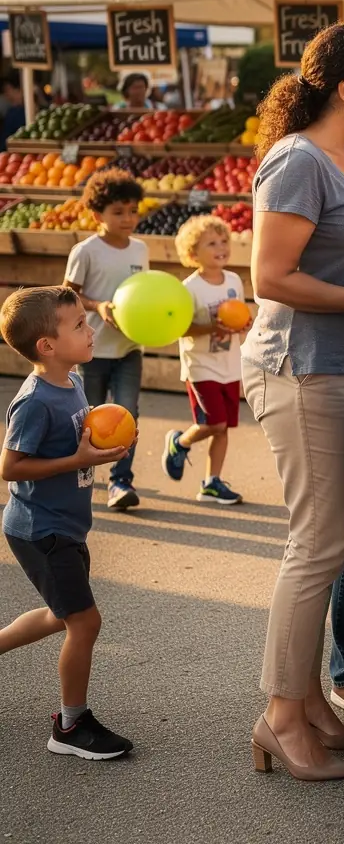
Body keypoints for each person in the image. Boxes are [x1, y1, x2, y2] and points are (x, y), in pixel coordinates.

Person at [242, 22, 344, 781]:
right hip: (299, 370)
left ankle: (306, 704)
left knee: (329, 543)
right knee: (318, 545)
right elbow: (270, 278)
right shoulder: (299, 160)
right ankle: (279, 715)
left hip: (339, 369)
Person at [0, 287, 135, 760]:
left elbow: (74, 446)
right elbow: (10, 467)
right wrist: (77, 458)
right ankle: (70, 724)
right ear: (46, 347)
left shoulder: (73, 381)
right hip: (41, 529)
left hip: (67, 525)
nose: (90, 327)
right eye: (78, 324)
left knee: (61, 615)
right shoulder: (35, 401)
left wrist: (97, 444)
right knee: (84, 622)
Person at [63, 170, 148, 511]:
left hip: (130, 348)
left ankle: (120, 482)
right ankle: (78, 476)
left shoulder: (140, 249)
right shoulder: (85, 251)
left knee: (127, 415)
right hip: (92, 351)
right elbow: (67, 296)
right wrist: (100, 306)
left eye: (132, 210)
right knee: (89, 418)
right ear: (98, 215)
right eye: (118, 212)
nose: (128, 218)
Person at [162, 215, 250, 504]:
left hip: (229, 364)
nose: (220, 247)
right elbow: (182, 328)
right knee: (213, 423)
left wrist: (244, 324)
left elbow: (239, 315)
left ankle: (211, 483)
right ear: (192, 253)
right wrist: (214, 327)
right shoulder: (189, 288)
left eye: (223, 241)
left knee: (223, 428)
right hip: (201, 367)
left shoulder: (235, 280)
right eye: (211, 243)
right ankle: (180, 442)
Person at [1, 75, 26, 150]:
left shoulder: (17, 112)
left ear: (18, 90)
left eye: (7, 90)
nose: (6, 94)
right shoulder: (11, 111)